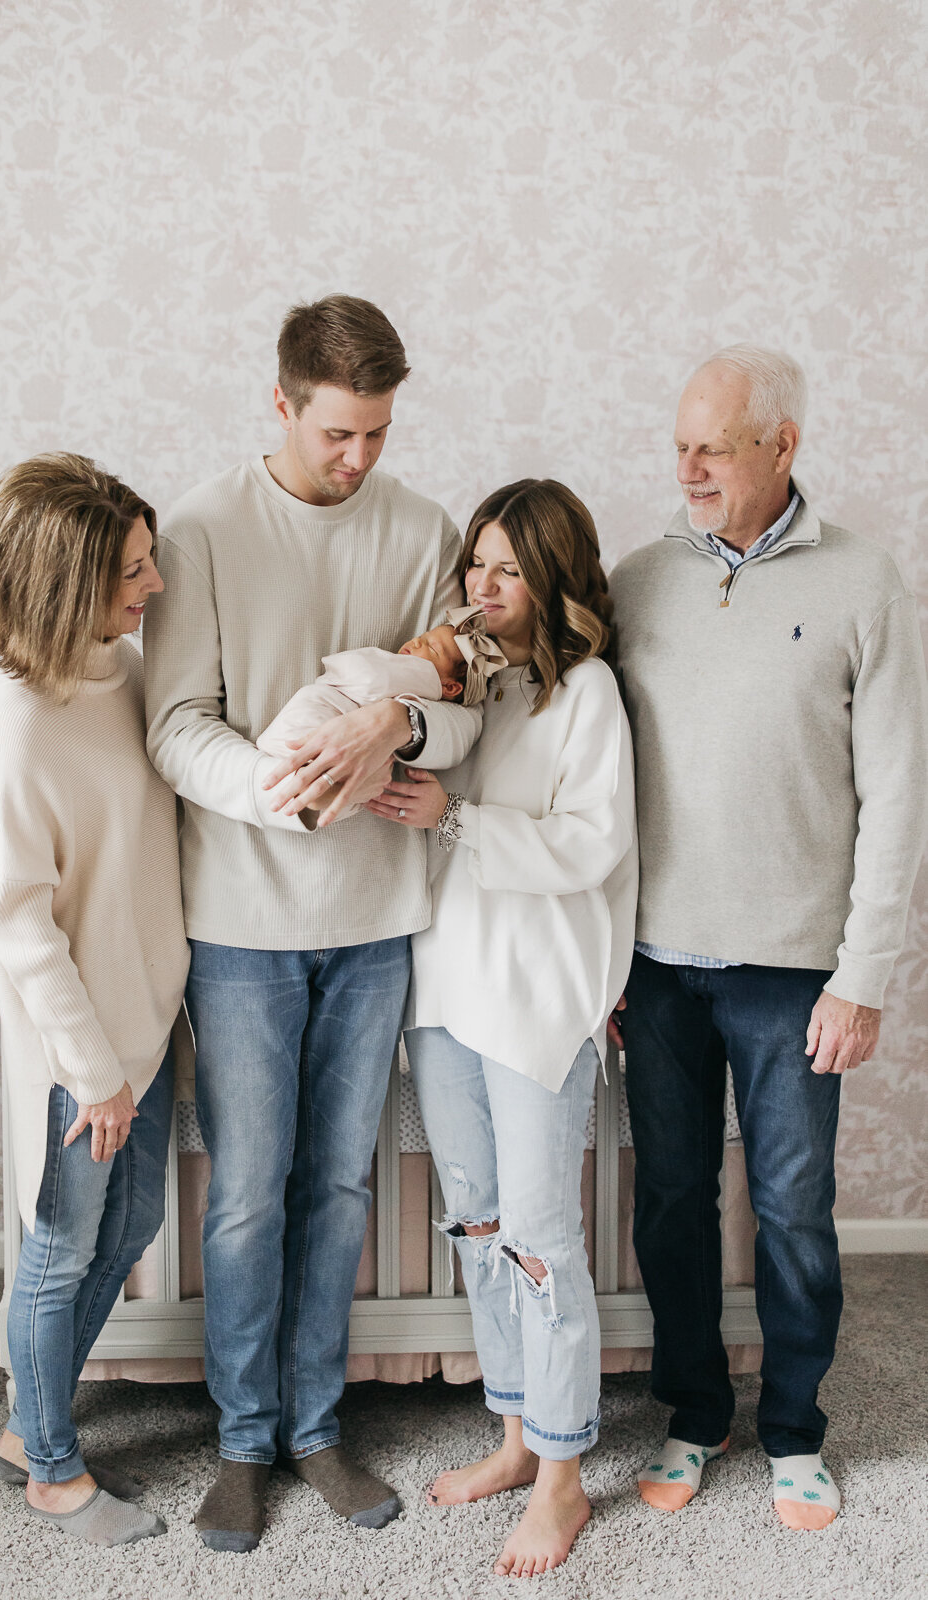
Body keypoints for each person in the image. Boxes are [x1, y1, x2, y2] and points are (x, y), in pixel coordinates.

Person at [143, 294, 481, 1552]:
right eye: (339, 431)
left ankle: (316, 1426)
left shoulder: (425, 526)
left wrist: (390, 727)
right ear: (280, 402)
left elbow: (467, 706)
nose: (360, 458)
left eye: (379, 431)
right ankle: (240, 1442)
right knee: (246, 1197)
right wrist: (284, 791)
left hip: (378, 915)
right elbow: (173, 722)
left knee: (338, 1182)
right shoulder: (202, 528)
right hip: (240, 920)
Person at [609, 345, 928, 1529]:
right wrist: (597, 960)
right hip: (654, 963)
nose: (684, 466)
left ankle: (793, 1428)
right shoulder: (635, 580)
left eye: (712, 447)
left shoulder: (863, 584)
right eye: (679, 443)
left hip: (795, 972)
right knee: (672, 1200)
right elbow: (585, 778)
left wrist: (863, 977)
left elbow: (897, 794)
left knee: (792, 1206)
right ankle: (694, 1415)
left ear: (780, 447)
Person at [372, 480, 637, 1578]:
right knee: (477, 1225)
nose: (482, 587)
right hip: (446, 996)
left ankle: (565, 1477)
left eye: (507, 568)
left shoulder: (588, 701)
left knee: (540, 1241)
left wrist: (461, 818)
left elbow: (590, 847)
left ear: (552, 578)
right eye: (474, 564)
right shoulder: (462, 687)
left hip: (537, 1005)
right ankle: (517, 1436)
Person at [0, 454, 189, 1545]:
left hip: (148, 1023)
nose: (153, 584)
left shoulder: (131, 665)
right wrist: (89, 1073)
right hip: (81, 1056)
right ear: (66, 588)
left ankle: (26, 1420)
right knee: (57, 1249)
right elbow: (17, 923)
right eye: (132, 571)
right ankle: (50, 1465)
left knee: (135, 1218)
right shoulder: (18, 726)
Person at [256, 608, 506, 812]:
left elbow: (367, 676)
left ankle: (320, 790)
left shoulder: (417, 692)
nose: (417, 641)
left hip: (316, 738)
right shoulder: (410, 692)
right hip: (311, 727)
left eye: (431, 649)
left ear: (449, 687)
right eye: (425, 636)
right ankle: (319, 789)